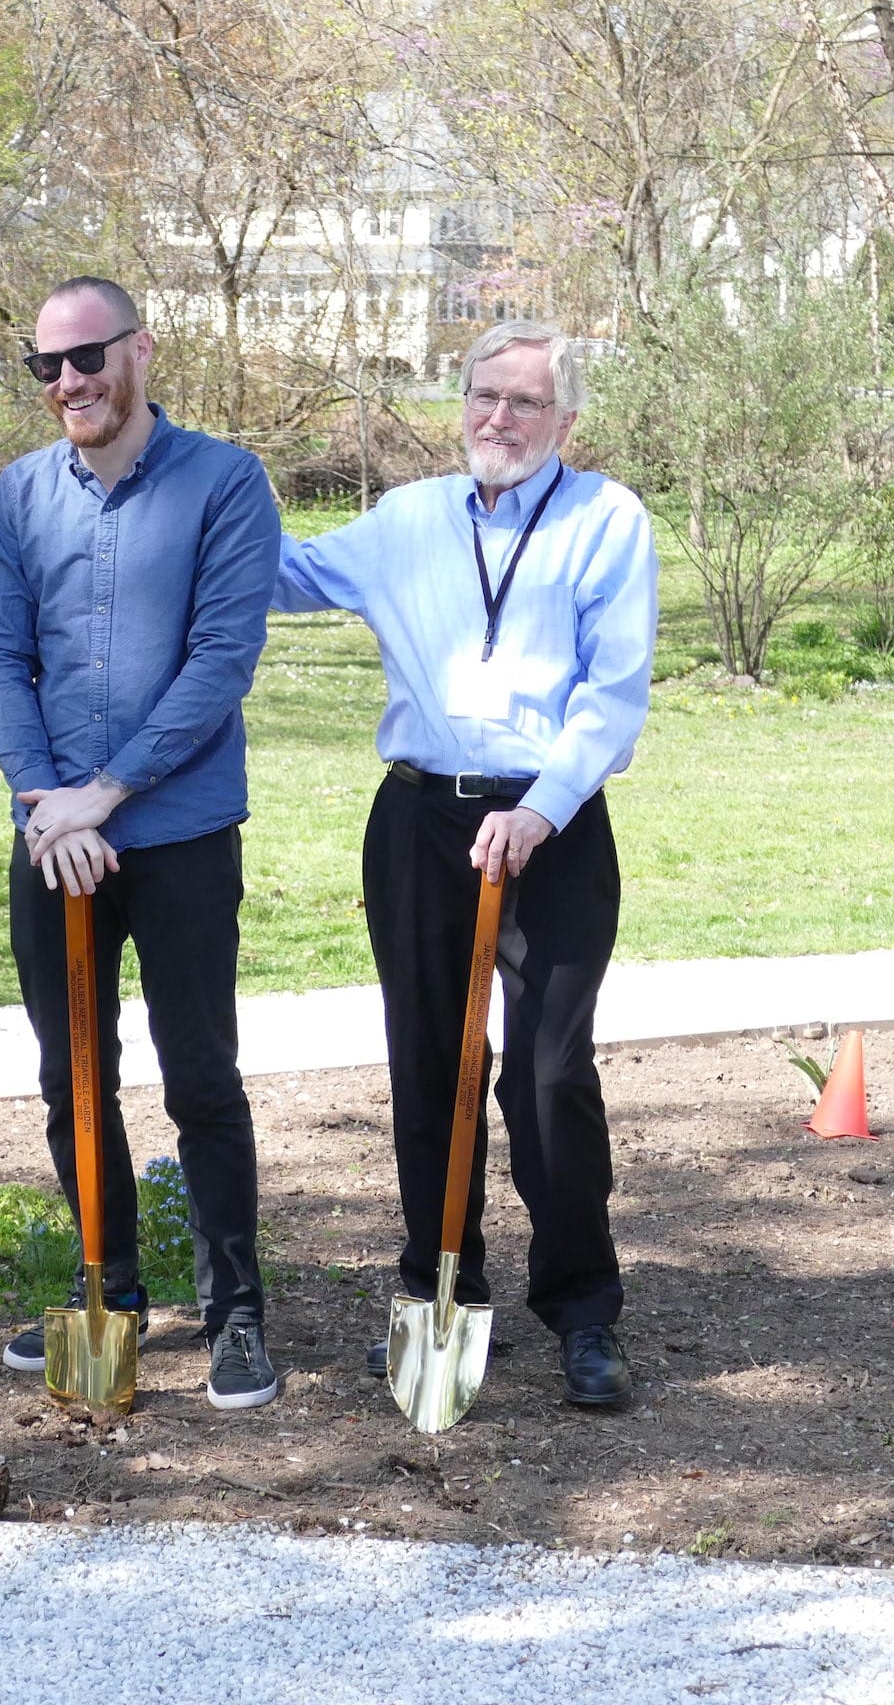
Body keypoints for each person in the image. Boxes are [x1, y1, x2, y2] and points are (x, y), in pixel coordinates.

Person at [273, 318, 655, 1408]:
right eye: (484, 396)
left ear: (565, 421)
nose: (498, 418)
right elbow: (283, 577)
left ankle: (583, 1308)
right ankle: (436, 1291)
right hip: (421, 825)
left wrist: (538, 809)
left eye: (525, 403)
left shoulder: (605, 522)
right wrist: (197, 493)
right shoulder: (406, 520)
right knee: (430, 1070)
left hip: (552, 828)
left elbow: (613, 693)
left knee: (545, 1076)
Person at [0, 275, 284, 1411]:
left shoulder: (224, 483)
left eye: (87, 358)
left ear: (141, 350)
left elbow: (220, 661)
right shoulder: (17, 496)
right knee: (71, 1077)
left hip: (180, 832)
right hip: (54, 836)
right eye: (45, 367)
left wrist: (105, 792)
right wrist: (45, 804)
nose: (67, 384)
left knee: (200, 1075)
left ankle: (235, 1311)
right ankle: (110, 1287)